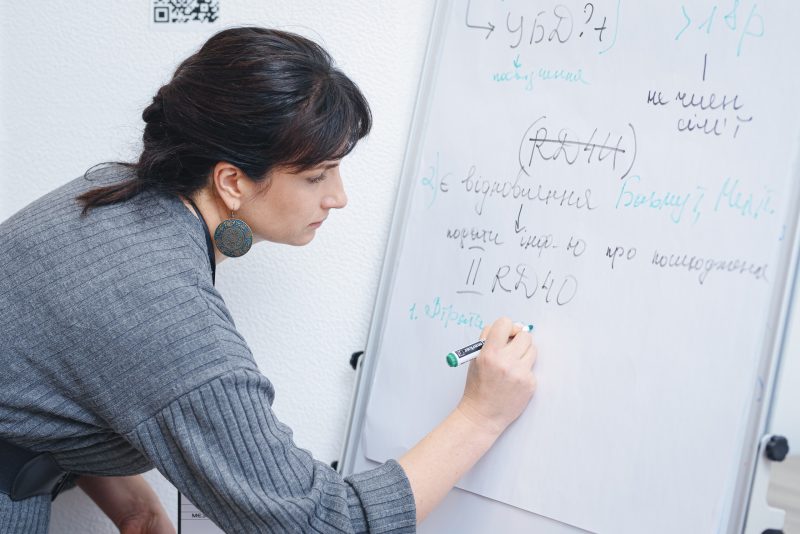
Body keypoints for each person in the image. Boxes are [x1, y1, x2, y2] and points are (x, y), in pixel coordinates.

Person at [0, 27, 538, 533]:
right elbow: (321, 522)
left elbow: (57, 366)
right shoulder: (164, 310)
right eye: (316, 176)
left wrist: (133, 504)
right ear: (232, 182)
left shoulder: (112, 194)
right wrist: (481, 416)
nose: (338, 197)